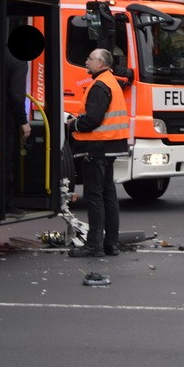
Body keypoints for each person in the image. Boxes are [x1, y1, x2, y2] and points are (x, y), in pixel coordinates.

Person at [67, 48, 129, 257]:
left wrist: (73, 124)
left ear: (101, 62)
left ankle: (94, 245)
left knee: (94, 197)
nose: (86, 61)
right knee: (108, 196)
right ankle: (111, 243)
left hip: (96, 147)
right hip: (110, 147)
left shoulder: (99, 85)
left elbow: (92, 119)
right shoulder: (111, 82)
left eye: (90, 58)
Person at [2, 48, 31, 218]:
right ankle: (7, 204)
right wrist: (23, 121)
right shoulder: (18, 61)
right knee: (6, 161)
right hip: (6, 117)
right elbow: (16, 95)